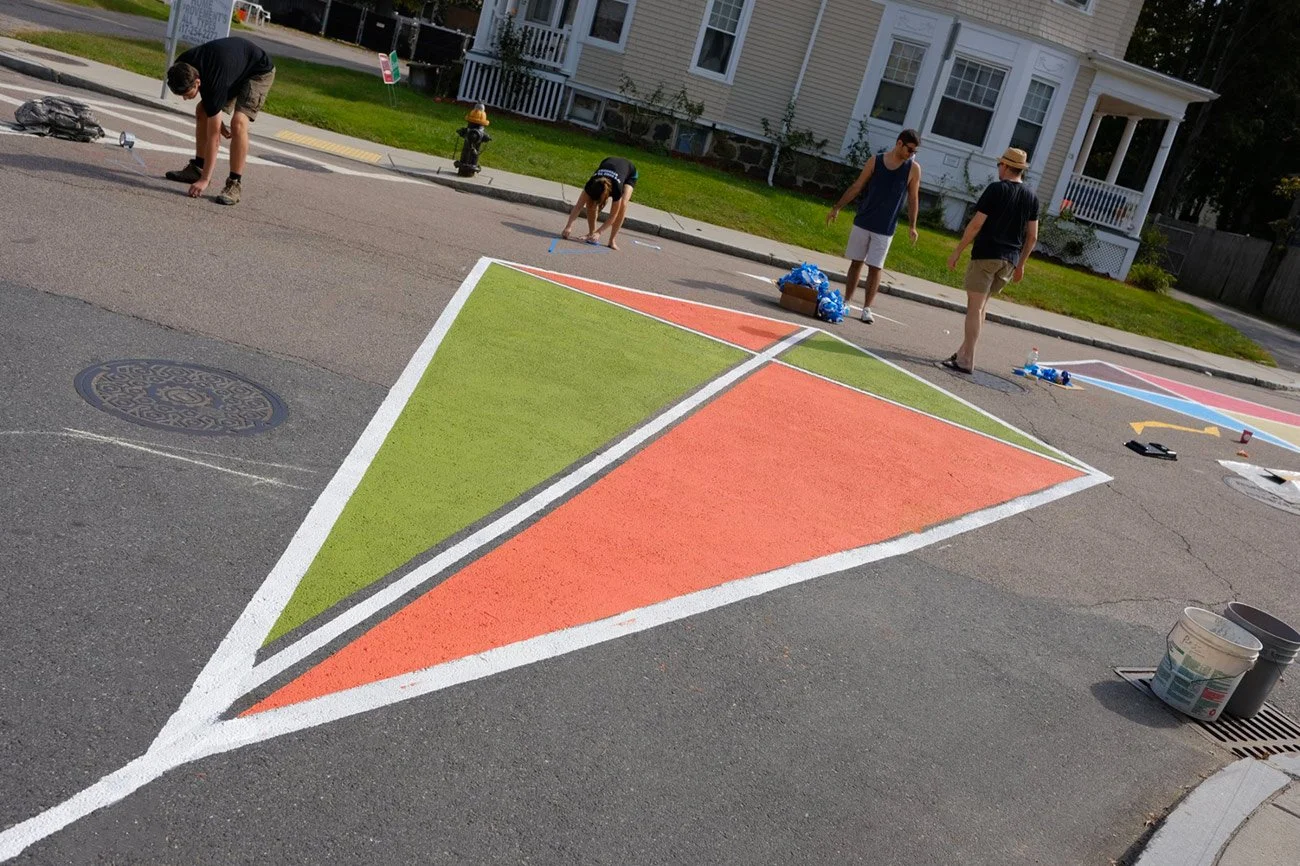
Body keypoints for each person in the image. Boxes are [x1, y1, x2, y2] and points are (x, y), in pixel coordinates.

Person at [942, 147, 1039, 374]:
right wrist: (1021, 264)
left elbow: (976, 224)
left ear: (1005, 166)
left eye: (999, 165)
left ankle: (967, 360)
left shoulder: (996, 189)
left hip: (987, 254)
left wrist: (957, 251)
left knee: (974, 308)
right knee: (981, 307)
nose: (998, 169)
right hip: (1009, 260)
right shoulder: (1032, 197)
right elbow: (1032, 236)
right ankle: (963, 352)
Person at [164, 36, 276, 206]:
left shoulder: (213, 81)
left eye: (186, 94)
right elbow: (211, 106)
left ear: (197, 82)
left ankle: (234, 183)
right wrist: (215, 118)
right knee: (202, 111)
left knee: (238, 123)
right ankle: (197, 168)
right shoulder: (181, 67)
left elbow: (214, 139)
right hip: (232, 68)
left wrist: (205, 180)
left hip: (257, 71)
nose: (185, 99)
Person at [826, 129, 921, 323]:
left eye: (914, 151)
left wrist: (912, 226)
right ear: (899, 143)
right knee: (856, 262)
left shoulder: (913, 169)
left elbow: (913, 198)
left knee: (875, 267)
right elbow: (857, 186)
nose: (911, 154)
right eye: (910, 149)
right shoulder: (875, 161)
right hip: (864, 220)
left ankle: (866, 308)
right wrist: (837, 207)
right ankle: (846, 301)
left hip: (885, 227)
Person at [561, 156, 637, 249]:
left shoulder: (616, 189)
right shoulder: (591, 184)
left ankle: (612, 240)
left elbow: (613, 215)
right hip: (608, 163)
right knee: (590, 203)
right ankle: (591, 234)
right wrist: (568, 226)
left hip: (629, 172)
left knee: (622, 206)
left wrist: (599, 232)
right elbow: (578, 207)